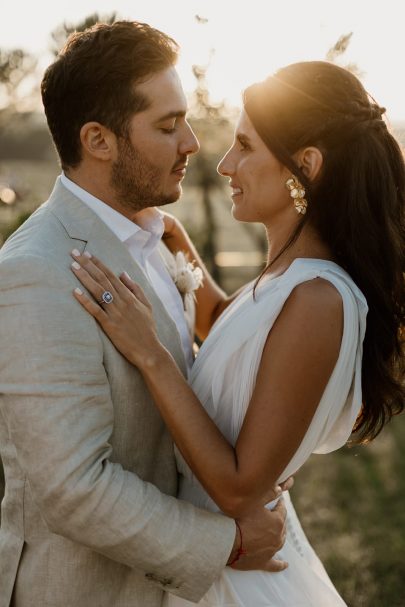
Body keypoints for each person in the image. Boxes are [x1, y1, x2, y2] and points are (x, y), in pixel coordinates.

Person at [70, 60, 405, 606]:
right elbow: (224, 327)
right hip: (210, 564)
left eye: (245, 147)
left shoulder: (319, 299)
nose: (225, 164)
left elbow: (239, 487)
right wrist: (165, 230)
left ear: (307, 167)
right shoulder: (285, 282)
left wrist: (150, 353)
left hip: (244, 582)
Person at [0, 21, 290, 607]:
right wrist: (229, 542)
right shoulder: (35, 272)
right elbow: (75, 488)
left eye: (184, 119)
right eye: (167, 125)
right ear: (99, 141)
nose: (191, 142)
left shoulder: (159, 237)